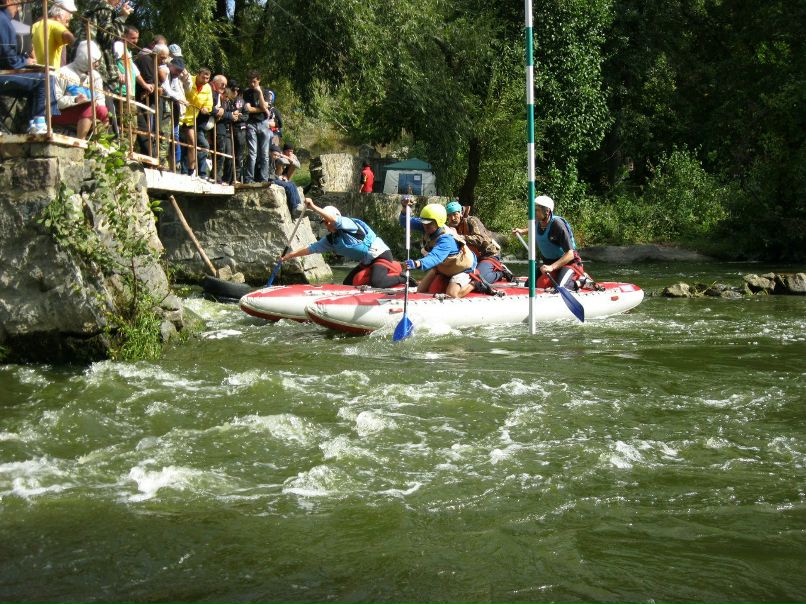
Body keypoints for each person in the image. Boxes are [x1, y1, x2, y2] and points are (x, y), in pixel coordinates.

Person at [280, 199, 409, 289]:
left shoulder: (349, 224)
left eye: (327, 222)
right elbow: (311, 248)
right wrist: (289, 256)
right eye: (324, 223)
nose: (326, 225)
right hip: (367, 261)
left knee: (377, 282)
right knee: (347, 283)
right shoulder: (331, 240)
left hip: (381, 255)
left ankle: (403, 278)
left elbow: (334, 220)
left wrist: (313, 207)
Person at [0, 0, 60, 134]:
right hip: (3, 75)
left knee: (40, 77)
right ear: (8, 1)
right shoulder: (3, 21)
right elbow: (8, 60)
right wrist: (26, 61)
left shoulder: (6, 21)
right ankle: (39, 123)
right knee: (45, 78)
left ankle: (36, 121)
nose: (18, 7)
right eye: (17, 3)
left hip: (5, 72)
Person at [399, 200, 477, 298]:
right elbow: (405, 222)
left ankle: (475, 284)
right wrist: (405, 208)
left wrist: (416, 263)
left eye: (429, 223)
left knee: (451, 294)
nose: (425, 226)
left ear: (438, 222)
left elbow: (435, 257)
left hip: (462, 268)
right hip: (444, 265)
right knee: (420, 290)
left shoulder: (446, 239)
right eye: (423, 222)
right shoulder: (428, 224)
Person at [512, 195, 587, 290]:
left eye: (537, 210)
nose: (534, 213)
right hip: (549, 263)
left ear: (547, 211)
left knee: (561, 287)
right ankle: (557, 278)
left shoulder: (558, 225)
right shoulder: (538, 221)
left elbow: (571, 254)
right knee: (529, 285)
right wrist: (522, 231)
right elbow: (533, 227)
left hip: (569, 263)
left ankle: (581, 281)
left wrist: (552, 267)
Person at [445, 200, 512, 290]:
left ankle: (501, 272)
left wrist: (460, 237)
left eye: (455, 214)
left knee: (479, 280)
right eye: (449, 216)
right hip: (471, 258)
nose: (452, 218)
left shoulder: (472, 220)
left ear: (460, 213)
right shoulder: (450, 227)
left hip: (488, 255)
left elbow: (481, 239)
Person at [52, 40, 108, 139]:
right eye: (95, 62)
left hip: (88, 114)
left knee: (103, 111)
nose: (97, 65)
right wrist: (75, 100)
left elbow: (100, 99)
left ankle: (102, 140)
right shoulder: (62, 73)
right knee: (89, 106)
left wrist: (98, 105)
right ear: (86, 61)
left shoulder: (95, 76)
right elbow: (54, 102)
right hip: (62, 113)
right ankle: (80, 141)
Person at [179, 68, 213, 177]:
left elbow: (209, 104)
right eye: (203, 77)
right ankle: (174, 165)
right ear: (198, 74)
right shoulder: (189, 80)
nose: (205, 80)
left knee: (192, 142)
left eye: (207, 78)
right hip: (179, 115)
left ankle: (191, 170)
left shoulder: (207, 88)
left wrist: (206, 108)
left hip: (191, 119)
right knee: (175, 140)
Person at [242, 70, 270, 183]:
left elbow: (264, 105)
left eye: (254, 81)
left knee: (264, 154)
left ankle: (264, 179)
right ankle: (249, 178)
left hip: (263, 123)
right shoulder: (246, 92)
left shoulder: (265, 92)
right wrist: (263, 109)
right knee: (252, 153)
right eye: (250, 81)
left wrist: (260, 93)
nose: (252, 84)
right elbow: (248, 109)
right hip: (251, 124)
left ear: (259, 80)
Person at [31, 0, 76, 71]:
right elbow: (69, 36)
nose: (67, 25)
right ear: (59, 16)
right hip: (51, 74)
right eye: (67, 21)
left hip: (36, 72)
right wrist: (78, 46)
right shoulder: (56, 25)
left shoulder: (35, 25)